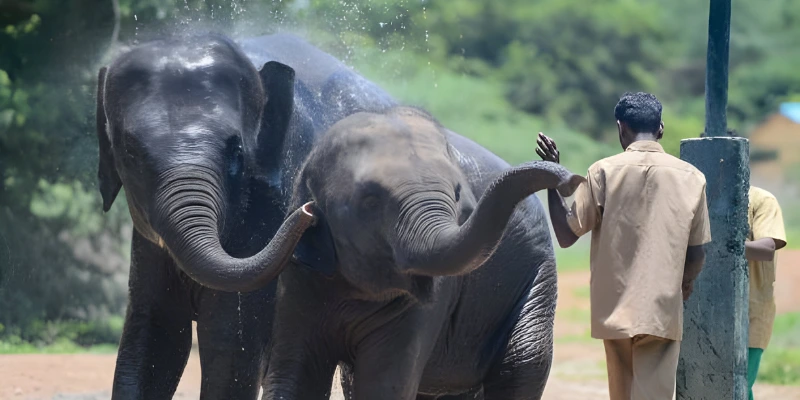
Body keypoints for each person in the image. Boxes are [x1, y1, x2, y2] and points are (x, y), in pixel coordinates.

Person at [536, 91, 711, 399]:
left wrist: (553, 178)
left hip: (615, 309)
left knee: (622, 393)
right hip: (662, 308)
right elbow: (697, 252)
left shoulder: (602, 172)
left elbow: (566, 235)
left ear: (621, 128)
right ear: (661, 129)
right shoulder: (692, 178)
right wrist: (684, 286)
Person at [744, 185, 787, 399]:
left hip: (751, 311)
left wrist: (727, 245)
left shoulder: (761, 200)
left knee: (739, 384)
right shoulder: (697, 193)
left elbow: (766, 248)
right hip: (706, 309)